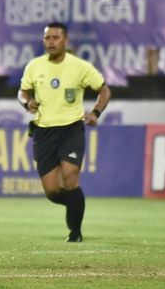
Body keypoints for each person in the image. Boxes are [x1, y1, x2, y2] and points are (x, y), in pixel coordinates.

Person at [17, 22, 111, 242]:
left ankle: (75, 232)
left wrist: (96, 112)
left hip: (71, 129)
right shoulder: (34, 66)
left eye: (56, 37)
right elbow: (22, 92)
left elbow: (104, 90)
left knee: (70, 177)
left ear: (65, 40)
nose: (51, 42)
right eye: (47, 38)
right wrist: (26, 103)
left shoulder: (80, 67)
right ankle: (75, 205)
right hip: (43, 132)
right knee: (52, 191)